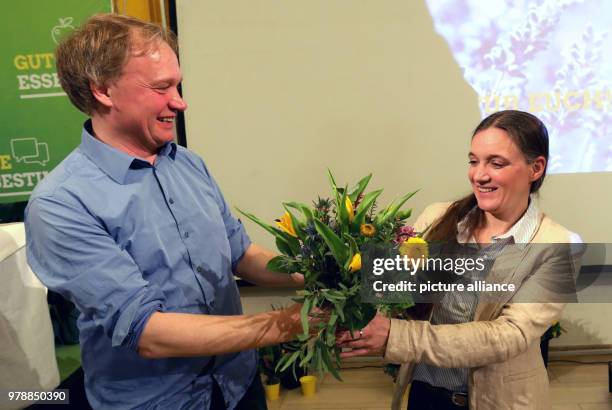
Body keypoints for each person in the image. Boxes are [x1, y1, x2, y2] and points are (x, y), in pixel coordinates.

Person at [25, 14, 305, 410]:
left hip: (236, 385)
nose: (180, 101)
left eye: (178, 84)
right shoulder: (61, 204)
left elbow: (241, 254)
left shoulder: (189, 165)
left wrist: (317, 271)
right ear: (103, 90)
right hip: (155, 401)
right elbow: (149, 333)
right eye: (161, 87)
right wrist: (292, 323)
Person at [337, 110, 582, 409]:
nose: (479, 175)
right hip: (424, 394)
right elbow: (395, 284)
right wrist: (337, 285)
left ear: (536, 168)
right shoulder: (438, 217)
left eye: (496, 163)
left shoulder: (559, 245)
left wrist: (395, 335)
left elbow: (507, 336)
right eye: (473, 160)